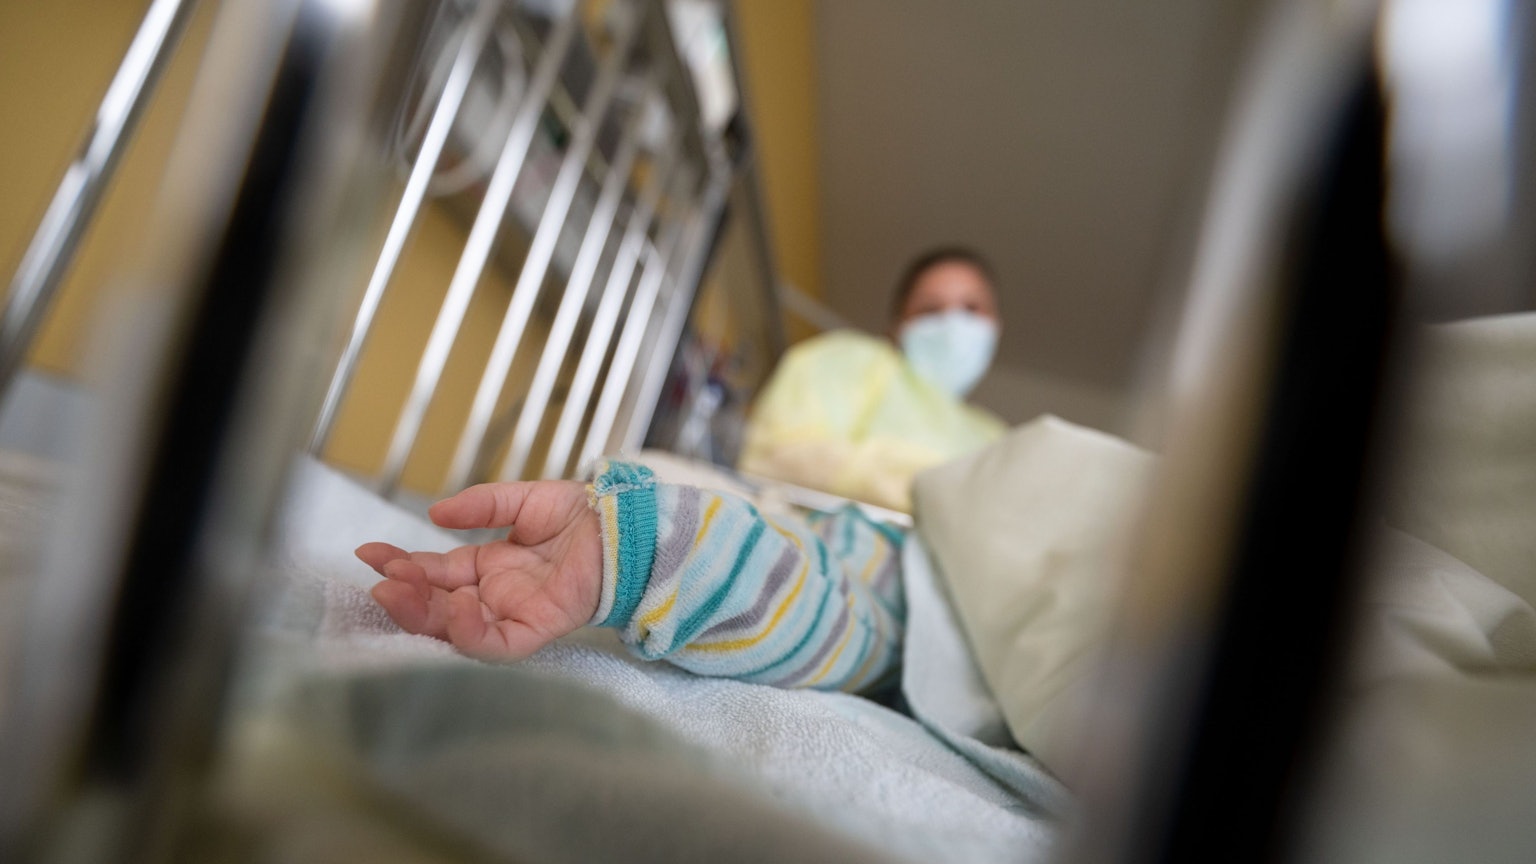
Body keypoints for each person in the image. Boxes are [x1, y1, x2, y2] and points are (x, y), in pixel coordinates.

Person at [360, 458, 904, 692]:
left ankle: (661, 545)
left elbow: (856, 637)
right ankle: (650, 542)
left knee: (837, 623)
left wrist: (646, 546)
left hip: (895, 579)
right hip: (823, 528)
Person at [736, 247, 1008, 511]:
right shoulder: (850, 362)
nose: (953, 325)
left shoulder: (997, 437)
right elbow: (774, 457)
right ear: (898, 326)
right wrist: (921, 487)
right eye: (930, 309)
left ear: (996, 324)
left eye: (971, 308)